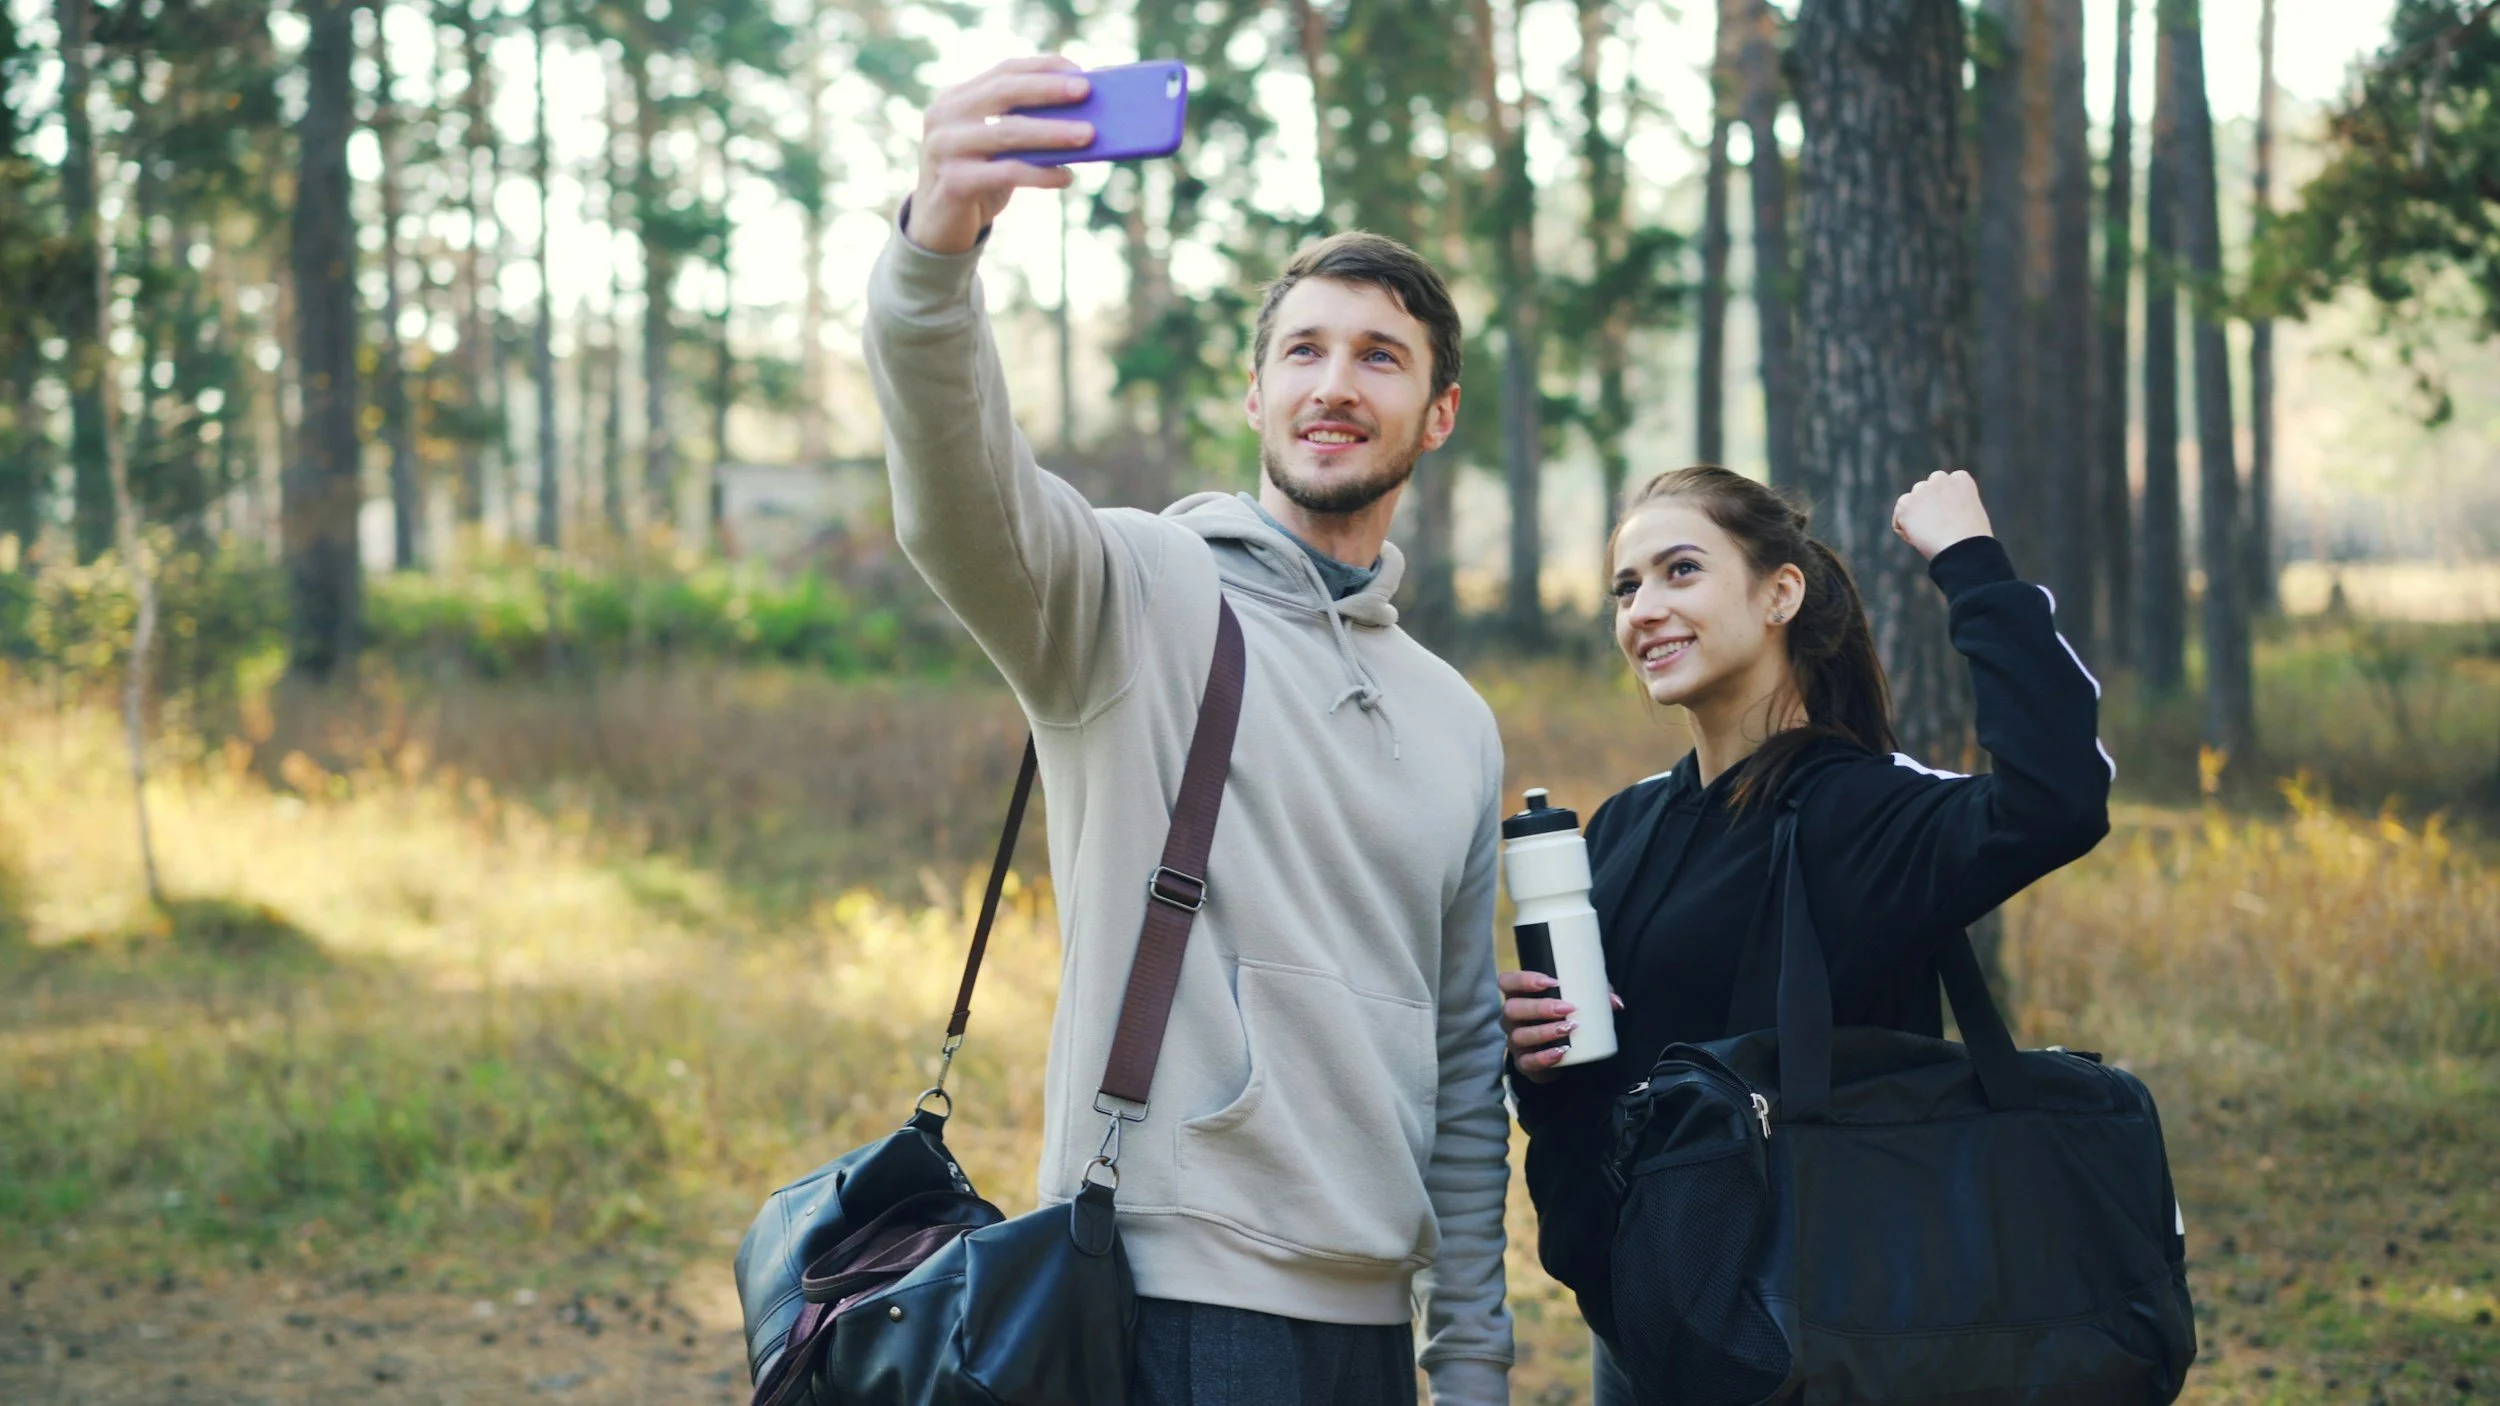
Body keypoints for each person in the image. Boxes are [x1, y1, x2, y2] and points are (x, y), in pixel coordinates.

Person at [864, 56, 1513, 1406]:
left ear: (1436, 413)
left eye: (1380, 357)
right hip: (1171, 1292)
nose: (1337, 383)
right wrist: (935, 258)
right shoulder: (1135, 592)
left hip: (1372, 1327)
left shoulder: (1457, 721)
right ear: (1257, 391)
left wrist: (1474, 1353)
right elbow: (959, 499)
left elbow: (1462, 1066)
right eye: (1306, 350)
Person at [1499, 465, 2113, 1403]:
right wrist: (1537, 1058)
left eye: (1681, 572)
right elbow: (1604, 1092)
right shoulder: (1624, 827)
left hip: (1812, 1331)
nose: (1644, 609)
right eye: (1627, 587)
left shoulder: (1861, 813)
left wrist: (1973, 566)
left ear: (1779, 592)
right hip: (1642, 1327)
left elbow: (2061, 795)